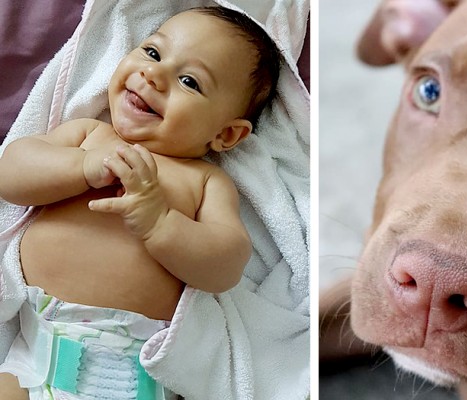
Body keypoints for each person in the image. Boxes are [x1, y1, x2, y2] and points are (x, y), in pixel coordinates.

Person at [0, 6, 279, 399]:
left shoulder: (204, 182)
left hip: (134, 374)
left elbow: (226, 266)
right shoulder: (88, 137)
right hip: (33, 358)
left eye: (189, 81)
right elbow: (10, 173)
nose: (154, 74)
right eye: (152, 52)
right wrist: (81, 166)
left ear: (228, 134)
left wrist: (161, 223)